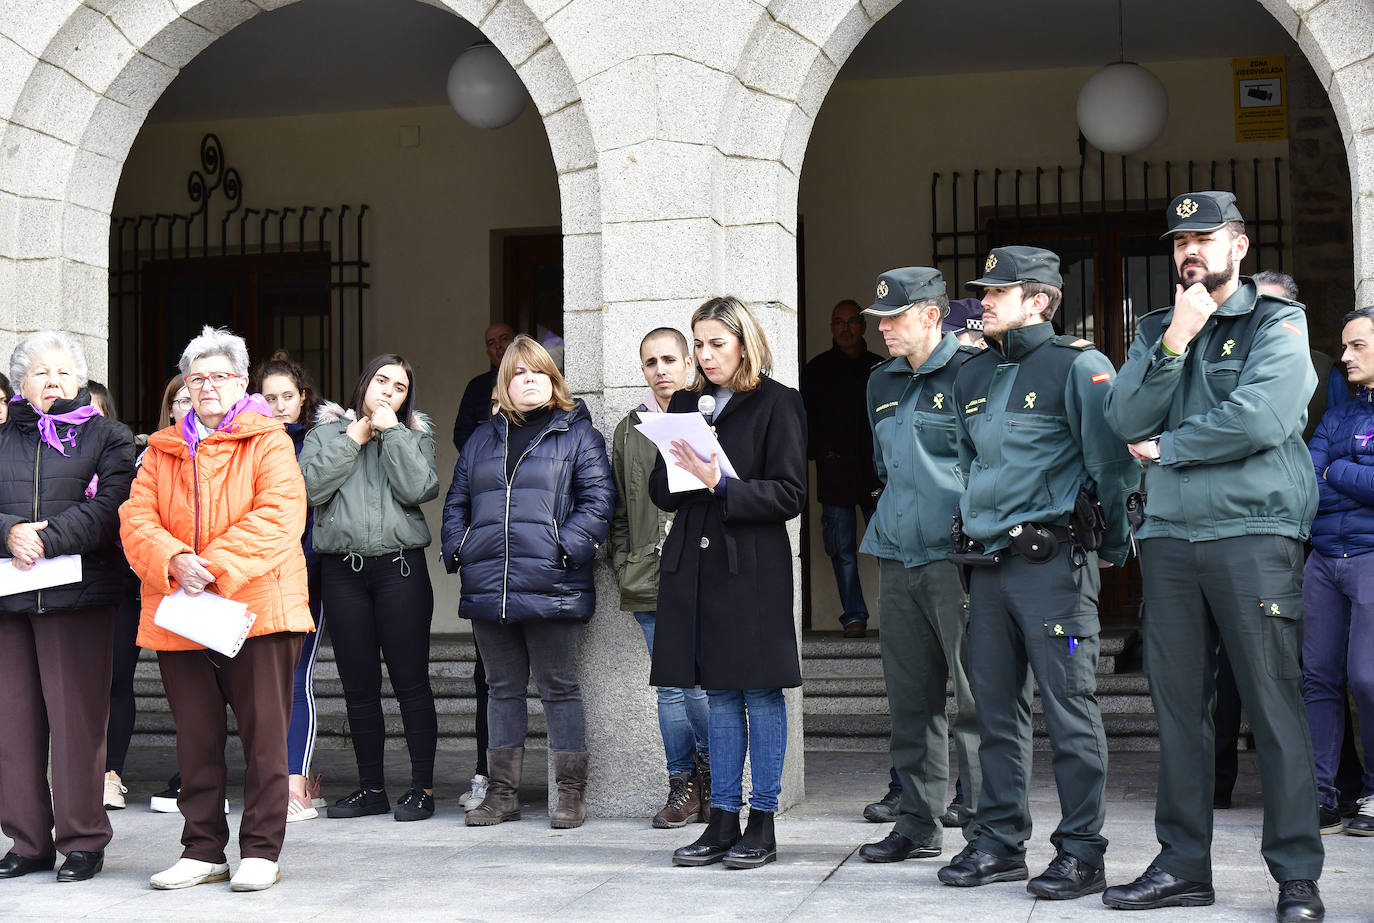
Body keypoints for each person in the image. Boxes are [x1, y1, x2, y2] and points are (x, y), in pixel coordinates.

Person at [1101, 191, 1325, 921]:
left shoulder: (1277, 321)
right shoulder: (1160, 328)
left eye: (1204, 237)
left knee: (1272, 701)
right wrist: (1173, 343)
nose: (1189, 250)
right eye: (1179, 242)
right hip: (1169, 539)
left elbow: (1264, 415)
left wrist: (1172, 446)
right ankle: (1183, 865)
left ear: (1240, 246)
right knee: (1179, 711)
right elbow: (1123, 417)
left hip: (1252, 532)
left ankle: (1296, 873)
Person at [937, 247, 1138, 900]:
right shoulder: (969, 376)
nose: (985, 298)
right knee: (994, 710)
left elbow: (1113, 466)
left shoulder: (1078, 366)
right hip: (988, 571)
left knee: (1072, 711)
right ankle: (997, 841)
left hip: (1055, 569)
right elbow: (971, 464)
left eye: (1001, 290)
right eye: (985, 289)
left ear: (1040, 300)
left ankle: (1083, 852)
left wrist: (1112, 540)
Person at [120, 325, 310, 892]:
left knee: (264, 737)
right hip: (181, 607)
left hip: (257, 607)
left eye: (219, 376)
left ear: (241, 382)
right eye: (196, 377)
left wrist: (214, 566)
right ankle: (202, 850)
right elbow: (136, 520)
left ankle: (260, 850)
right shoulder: (160, 450)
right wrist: (175, 560)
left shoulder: (270, 440)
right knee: (195, 741)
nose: (207, 386)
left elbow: (279, 515)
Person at [650, 296, 807, 870]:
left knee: (759, 692)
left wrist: (720, 481)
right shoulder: (687, 401)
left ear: (744, 342)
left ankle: (761, 823)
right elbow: (663, 494)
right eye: (700, 344)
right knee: (716, 692)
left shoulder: (779, 402)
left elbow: (791, 494)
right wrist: (676, 461)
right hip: (695, 564)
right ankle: (721, 821)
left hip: (753, 569)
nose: (705, 355)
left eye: (717, 343)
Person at [442, 334, 613, 830]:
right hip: (489, 584)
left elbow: (599, 502)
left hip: (553, 583)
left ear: (553, 380)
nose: (529, 379)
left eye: (538, 371)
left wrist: (565, 549)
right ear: (505, 384)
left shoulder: (578, 435)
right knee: (502, 690)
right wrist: (460, 549)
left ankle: (570, 795)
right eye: (518, 373)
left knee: (559, 688)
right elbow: (456, 503)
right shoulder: (482, 438)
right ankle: (502, 795)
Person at [855, 267, 981, 864]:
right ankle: (918, 822)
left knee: (976, 699)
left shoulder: (974, 371)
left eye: (895, 318)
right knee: (911, 700)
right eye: (878, 320)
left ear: (933, 314)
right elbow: (885, 467)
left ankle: (984, 827)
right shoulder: (879, 381)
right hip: (898, 555)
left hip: (958, 558)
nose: (883, 330)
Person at [0, 332, 135, 882]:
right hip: (10, 602)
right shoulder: (1, 437)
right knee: (13, 725)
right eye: (40, 371)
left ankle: (81, 840)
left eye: (62, 371)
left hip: (80, 598)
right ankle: (27, 840)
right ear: (20, 384)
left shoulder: (110, 436)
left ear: (79, 381)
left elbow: (113, 506)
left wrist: (46, 537)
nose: (52, 379)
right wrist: (9, 532)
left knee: (77, 724)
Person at [300, 354, 440, 822]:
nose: (388, 392)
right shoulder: (323, 435)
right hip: (343, 571)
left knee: (411, 683)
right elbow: (309, 492)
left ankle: (422, 788)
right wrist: (353, 440)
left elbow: (420, 488)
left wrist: (393, 434)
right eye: (382, 381)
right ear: (364, 384)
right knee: (358, 686)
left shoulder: (415, 435)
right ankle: (371, 788)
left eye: (399, 388)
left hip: (400, 570)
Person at [610, 327, 711, 828]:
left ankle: (716, 779)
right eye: (650, 362)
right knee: (671, 685)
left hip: (701, 570)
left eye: (670, 359)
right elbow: (621, 510)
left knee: (704, 684)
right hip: (646, 574)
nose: (661, 369)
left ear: (689, 364)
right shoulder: (628, 429)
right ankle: (683, 785)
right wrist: (623, 561)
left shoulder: (710, 415)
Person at [1303, 304, 1374, 840]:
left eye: (1357, 347)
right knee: (1318, 679)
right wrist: (1346, 474)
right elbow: (1307, 480)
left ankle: (1372, 792)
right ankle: (1323, 796)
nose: (1344, 357)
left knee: (1367, 679)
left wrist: (1336, 470)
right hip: (1324, 559)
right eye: (1345, 346)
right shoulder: (1338, 412)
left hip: (1371, 558)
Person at [254, 352, 326, 823]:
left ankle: (295, 784)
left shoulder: (321, 441)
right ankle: (271, 779)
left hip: (306, 572)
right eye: (269, 398)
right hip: (256, 575)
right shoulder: (246, 442)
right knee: (262, 684)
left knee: (297, 677)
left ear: (303, 398)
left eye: (287, 396)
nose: (279, 406)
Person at [800, 299, 884, 638]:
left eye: (852, 322)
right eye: (839, 322)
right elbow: (804, 423)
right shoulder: (816, 370)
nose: (846, 328)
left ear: (863, 327)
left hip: (877, 475)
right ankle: (854, 616)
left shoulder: (880, 368)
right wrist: (823, 452)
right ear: (831, 327)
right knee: (842, 551)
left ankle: (895, 614)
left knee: (887, 550)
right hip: (835, 476)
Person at [81, 382, 142, 815]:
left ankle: (110, 775)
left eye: (95, 414)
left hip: (120, 584)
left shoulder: (126, 465)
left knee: (117, 679)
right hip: (70, 586)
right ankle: (77, 774)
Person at [453, 322, 516, 453]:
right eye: (492, 343)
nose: (499, 345)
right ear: (488, 353)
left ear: (516, 342)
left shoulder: (532, 379)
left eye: (504, 338)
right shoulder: (476, 387)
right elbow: (462, 434)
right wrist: (480, 461)